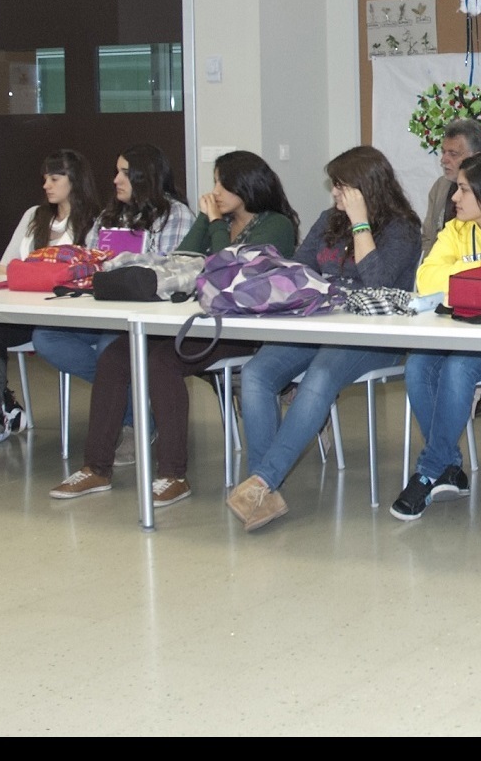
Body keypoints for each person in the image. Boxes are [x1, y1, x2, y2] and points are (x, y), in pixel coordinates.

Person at [48, 152, 300, 505]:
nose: (215, 191)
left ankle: (173, 474)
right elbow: (181, 257)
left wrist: (214, 223)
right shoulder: (219, 219)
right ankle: (96, 468)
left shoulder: (277, 225)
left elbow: (228, 272)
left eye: (223, 184)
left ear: (247, 186)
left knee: (163, 362)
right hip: (193, 321)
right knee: (115, 356)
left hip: (241, 329)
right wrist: (207, 220)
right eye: (215, 182)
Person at [226, 146, 422, 532]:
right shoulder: (328, 220)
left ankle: (261, 483)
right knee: (256, 373)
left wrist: (361, 224)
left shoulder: (402, 229)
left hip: (374, 335)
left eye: (341, 187)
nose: (334, 194)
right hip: (319, 322)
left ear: (366, 188)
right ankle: (263, 490)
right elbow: (299, 270)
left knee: (319, 377)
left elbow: (378, 284)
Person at [390, 154, 481, 520]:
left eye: (462, 190)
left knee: (457, 368)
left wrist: (460, 275)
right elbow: (427, 280)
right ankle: (449, 467)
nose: (454, 198)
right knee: (417, 366)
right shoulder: (456, 228)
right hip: (458, 331)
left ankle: (429, 472)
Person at [0, 149, 104, 473]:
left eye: (55, 178)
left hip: (65, 317)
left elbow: (88, 272)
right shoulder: (34, 215)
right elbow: (4, 267)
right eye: (45, 179)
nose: (46, 185)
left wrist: (26, 271)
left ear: (74, 181)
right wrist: (31, 273)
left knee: (0, 327)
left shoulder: (95, 221)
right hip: (21, 309)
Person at [30, 144, 194, 389]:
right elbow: (89, 259)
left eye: (125, 173)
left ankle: (119, 397)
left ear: (146, 176)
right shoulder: (110, 214)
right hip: (103, 308)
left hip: (144, 313)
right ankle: (125, 399)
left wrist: (114, 263)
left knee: (111, 349)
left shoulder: (175, 214)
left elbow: (171, 271)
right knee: (46, 336)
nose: (116, 180)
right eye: (117, 172)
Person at [421, 119, 481, 258]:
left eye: (453, 154)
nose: (443, 160)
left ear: (476, 157)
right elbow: (428, 237)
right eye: (443, 152)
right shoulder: (440, 186)